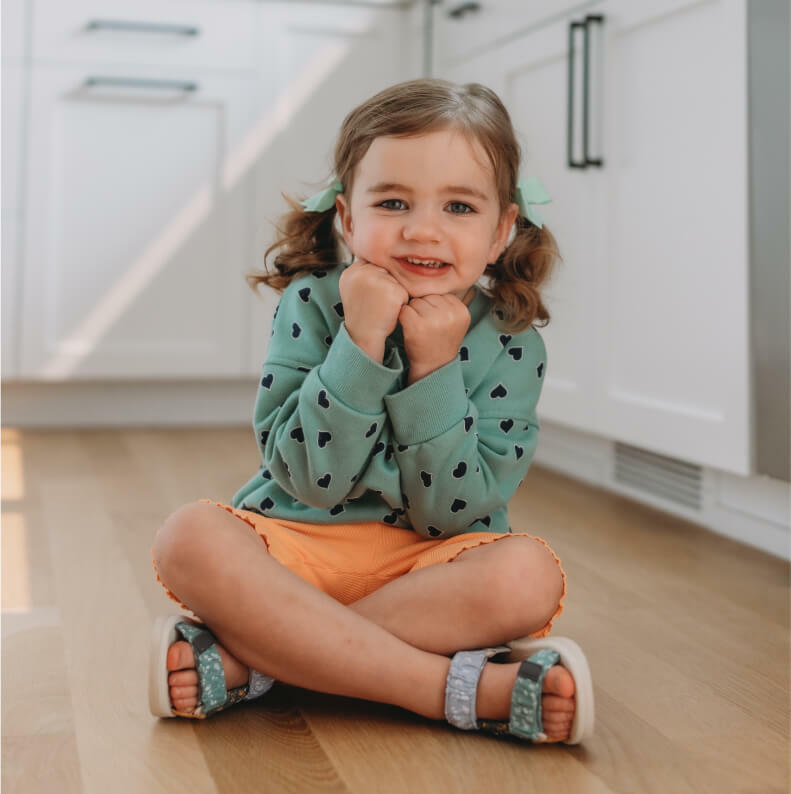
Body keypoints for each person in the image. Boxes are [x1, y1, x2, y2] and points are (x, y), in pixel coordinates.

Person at [149, 78, 595, 745]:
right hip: (294, 547)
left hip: (430, 564)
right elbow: (309, 479)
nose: (422, 229)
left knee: (525, 574)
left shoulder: (510, 340)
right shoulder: (310, 303)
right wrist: (359, 341)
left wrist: (435, 370)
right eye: (392, 202)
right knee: (189, 536)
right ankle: (446, 690)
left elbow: (453, 513)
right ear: (348, 219)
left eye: (458, 207)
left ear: (502, 230)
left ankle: (262, 657)